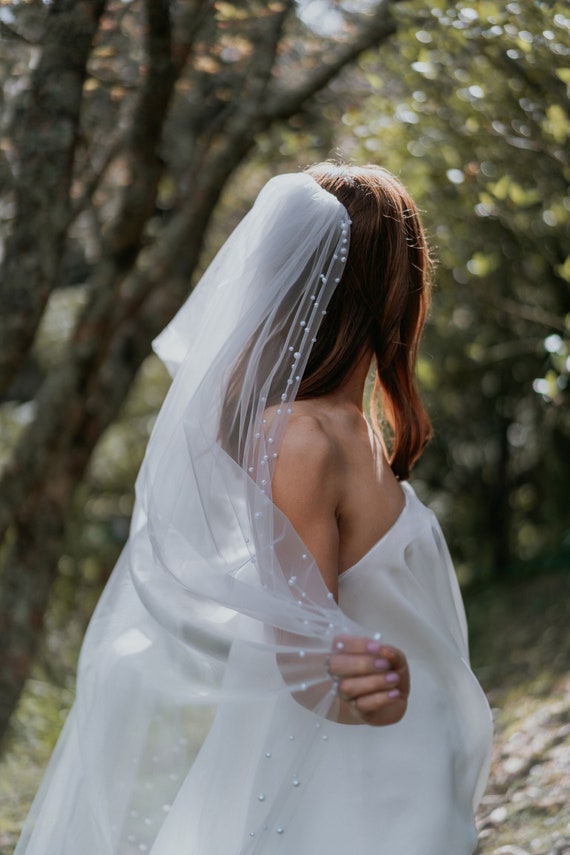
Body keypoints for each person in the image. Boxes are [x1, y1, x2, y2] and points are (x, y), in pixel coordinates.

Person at [15, 163, 493, 855]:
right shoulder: (300, 436)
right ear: (388, 283)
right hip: (359, 787)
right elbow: (301, 658)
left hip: (411, 760)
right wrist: (368, 693)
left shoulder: (355, 427)